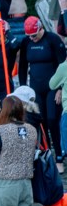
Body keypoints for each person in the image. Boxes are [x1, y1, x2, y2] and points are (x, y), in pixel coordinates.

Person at [19, 16, 66, 168]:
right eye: (29, 36)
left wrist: (60, 89)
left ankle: (59, 156)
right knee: (40, 121)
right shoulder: (26, 42)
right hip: (35, 88)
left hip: (53, 87)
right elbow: (22, 67)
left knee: (53, 120)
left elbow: (63, 66)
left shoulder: (52, 39)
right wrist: (22, 90)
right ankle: (46, 154)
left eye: (34, 35)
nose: (32, 39)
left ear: (41, 29)